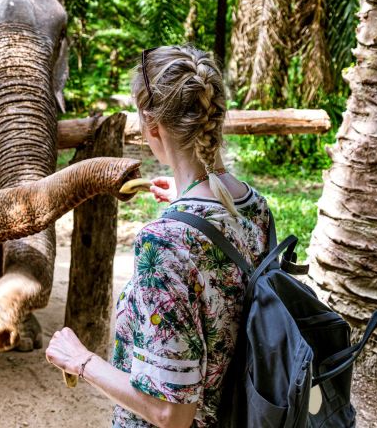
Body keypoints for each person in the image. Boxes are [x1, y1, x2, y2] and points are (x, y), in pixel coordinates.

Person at [46, 45, 271, 428]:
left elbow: (171, 413)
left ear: (152, 126)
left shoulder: (164, 243)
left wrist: (79, 360)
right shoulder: (254, 206)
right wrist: (187, 203)